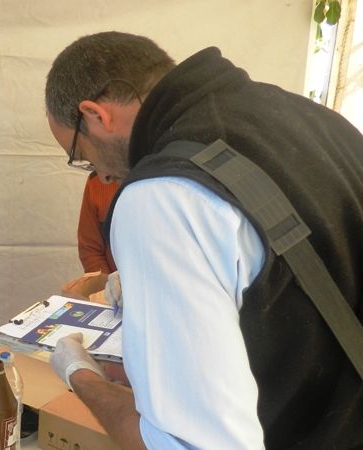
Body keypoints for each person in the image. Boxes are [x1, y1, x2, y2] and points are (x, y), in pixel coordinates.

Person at [44, 32, 363, 449]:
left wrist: (80, 374)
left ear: (95, 116)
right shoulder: (315, 119)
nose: (100, 175)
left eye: (80, 154)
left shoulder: (160, 195)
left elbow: (188, 444)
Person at [61, 174, 119, 300]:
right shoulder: (98, 181)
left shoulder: (162, 182)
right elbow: (90, 249)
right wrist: (108, 288)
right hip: (113, 297)